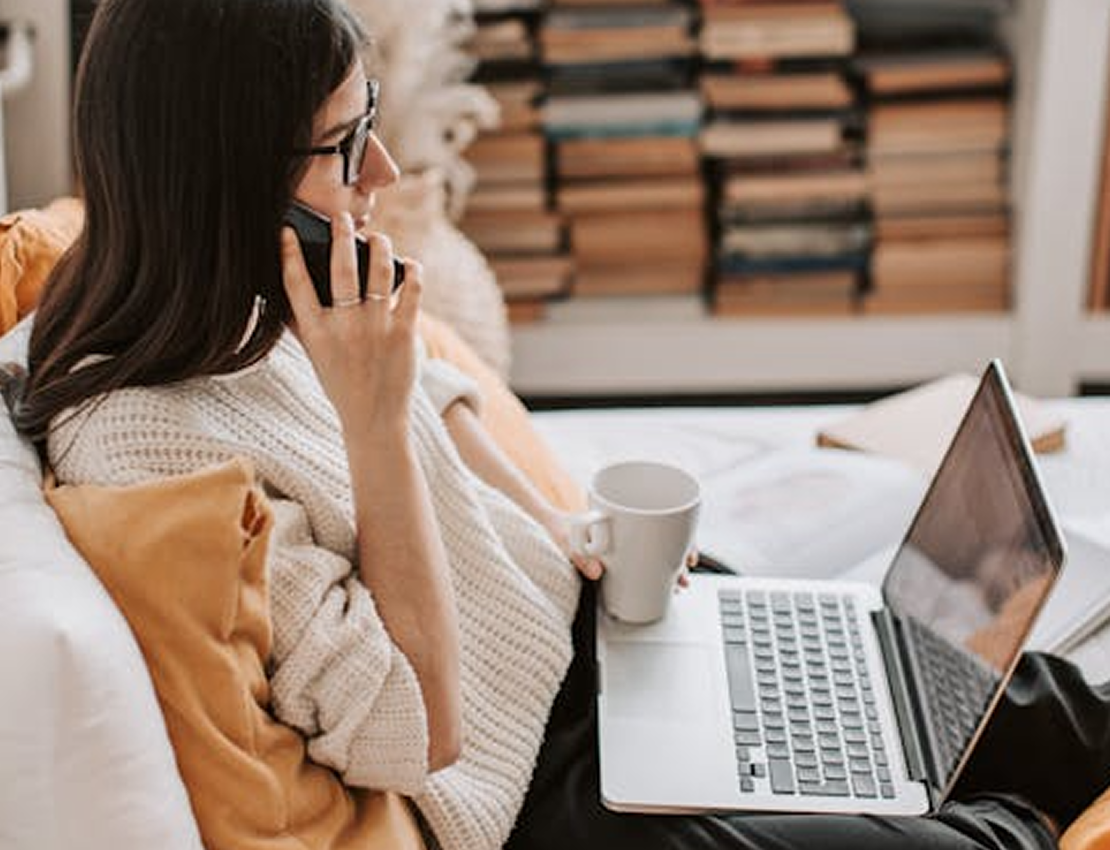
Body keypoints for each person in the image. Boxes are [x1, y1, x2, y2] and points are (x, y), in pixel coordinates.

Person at [5, 2, 1109, 850]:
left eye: (371, 124)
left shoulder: (247, 285)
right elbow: (415, 731)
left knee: (1007, 700)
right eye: (345, 147)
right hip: (552, 786)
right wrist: (375, 424)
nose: (381, 176)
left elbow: (442, 400)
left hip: (601, 629)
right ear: (229, 184)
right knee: (998, 830)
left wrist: (567, 525)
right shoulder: (147, 445)